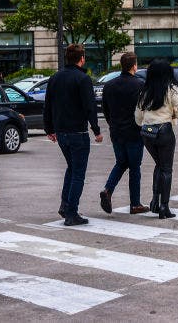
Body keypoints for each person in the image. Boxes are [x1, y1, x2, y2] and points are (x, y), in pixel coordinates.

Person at [43, 43, 103, 226]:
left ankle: (65, 204)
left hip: (61, 133)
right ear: (81, 58)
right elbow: (89, 106)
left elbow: (48, 105)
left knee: (71, 168)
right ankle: (72, 212)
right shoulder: (83, 79)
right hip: (78, 132)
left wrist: (49, 129)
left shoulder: (55, 78)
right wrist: (96, 130)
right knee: (78, 173)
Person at [135, 59, 178, 218]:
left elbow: (138, 117)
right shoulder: (171, 89)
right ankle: (164, 206)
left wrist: (145, 123)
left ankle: (154, 201)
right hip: (164, 131)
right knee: (166, 169)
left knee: (159, 165)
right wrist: (174, 114)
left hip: (147, 132)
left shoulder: (145, 90)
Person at [99, 52, 148, 215]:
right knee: (135, 167)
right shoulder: (140, 84)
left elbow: (105, 110)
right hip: (134, 132)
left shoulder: (109, 85)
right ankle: (135, 203)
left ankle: (108, 190)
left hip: (116, 132)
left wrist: (113, 124)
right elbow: (144, 108)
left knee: (121, 162)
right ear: (134, 66)